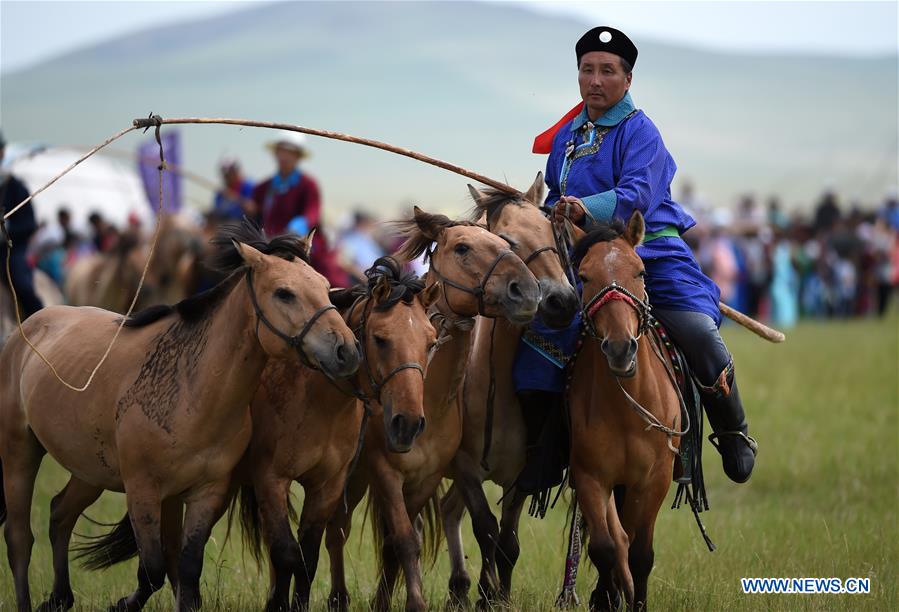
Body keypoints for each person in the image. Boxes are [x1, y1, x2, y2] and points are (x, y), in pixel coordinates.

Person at [519, 27, 757, 491]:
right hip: (584, 258)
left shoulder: (640, 131)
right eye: (587, 70)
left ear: (627, 80)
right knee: (535, 328)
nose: (595, 80)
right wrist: (546, 210)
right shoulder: (568, 135)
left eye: (607, 71)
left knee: (698, 335)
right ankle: (543, 449)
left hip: (648, 251)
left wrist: (585, 207)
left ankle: (732, 432)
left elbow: (636, 197)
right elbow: (555, 196)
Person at [250, 132, 349, 286]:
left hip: (302, 245)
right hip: (269, 245)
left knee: (329, 280)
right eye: (281, 151)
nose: (284, 156)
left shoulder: (308, 185)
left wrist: (296, 227)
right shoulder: (263, 188)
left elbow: (312, 214)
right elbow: (255, 213)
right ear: (275, 153)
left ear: (298, 157)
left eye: (290, 152)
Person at [0, 130, 44, 317]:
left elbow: (29, 223)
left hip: (10, 252)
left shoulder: (15, 186)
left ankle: (39, 322)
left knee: (23, 285)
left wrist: (7, 230)